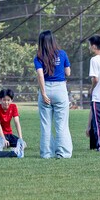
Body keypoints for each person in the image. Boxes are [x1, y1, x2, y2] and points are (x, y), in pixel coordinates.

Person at [34, 30, 72, 159]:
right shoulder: (62, 54)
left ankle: (46, 153)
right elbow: (68, 73)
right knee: (61, 124)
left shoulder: (38, 57)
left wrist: (44, 93)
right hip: (60, 89)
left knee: (46, 125)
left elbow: (40, 75)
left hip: (45, 90)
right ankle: (63, 153)